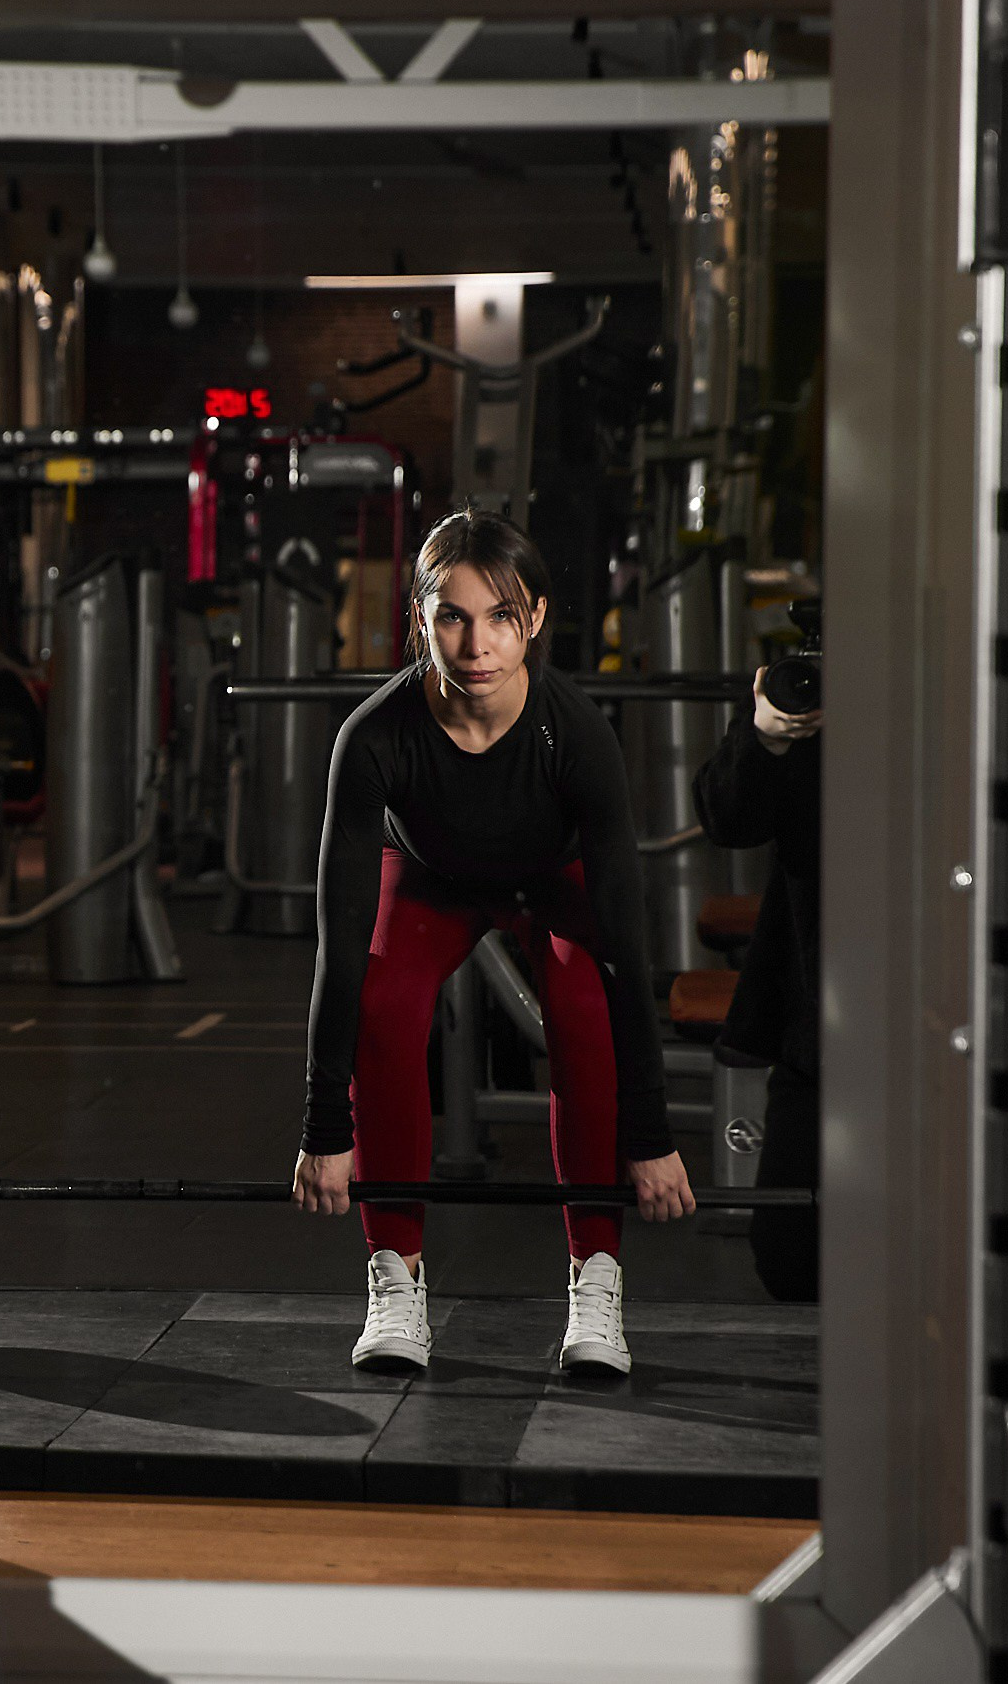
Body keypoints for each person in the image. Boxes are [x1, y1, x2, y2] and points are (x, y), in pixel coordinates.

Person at [294, 511, 694, 1376]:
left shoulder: (578, 735)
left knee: (586, 1008)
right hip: (430, 872)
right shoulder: (373, 738)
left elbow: (626, 943)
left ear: (537, 618)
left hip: (553, 875)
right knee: (386, 1001)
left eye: (501, 617)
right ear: (420, 616)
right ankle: (396, 1275)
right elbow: (340, 945)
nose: (477, 643)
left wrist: (652, 1133)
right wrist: (326, 1123)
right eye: (453, 616)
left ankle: (597, 1273)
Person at [693, 664, 823, 1302]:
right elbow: (729, 818)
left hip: (939, 1000)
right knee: (789, 1260)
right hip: (821, 1016)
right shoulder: (811, 715)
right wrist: (766, 734)